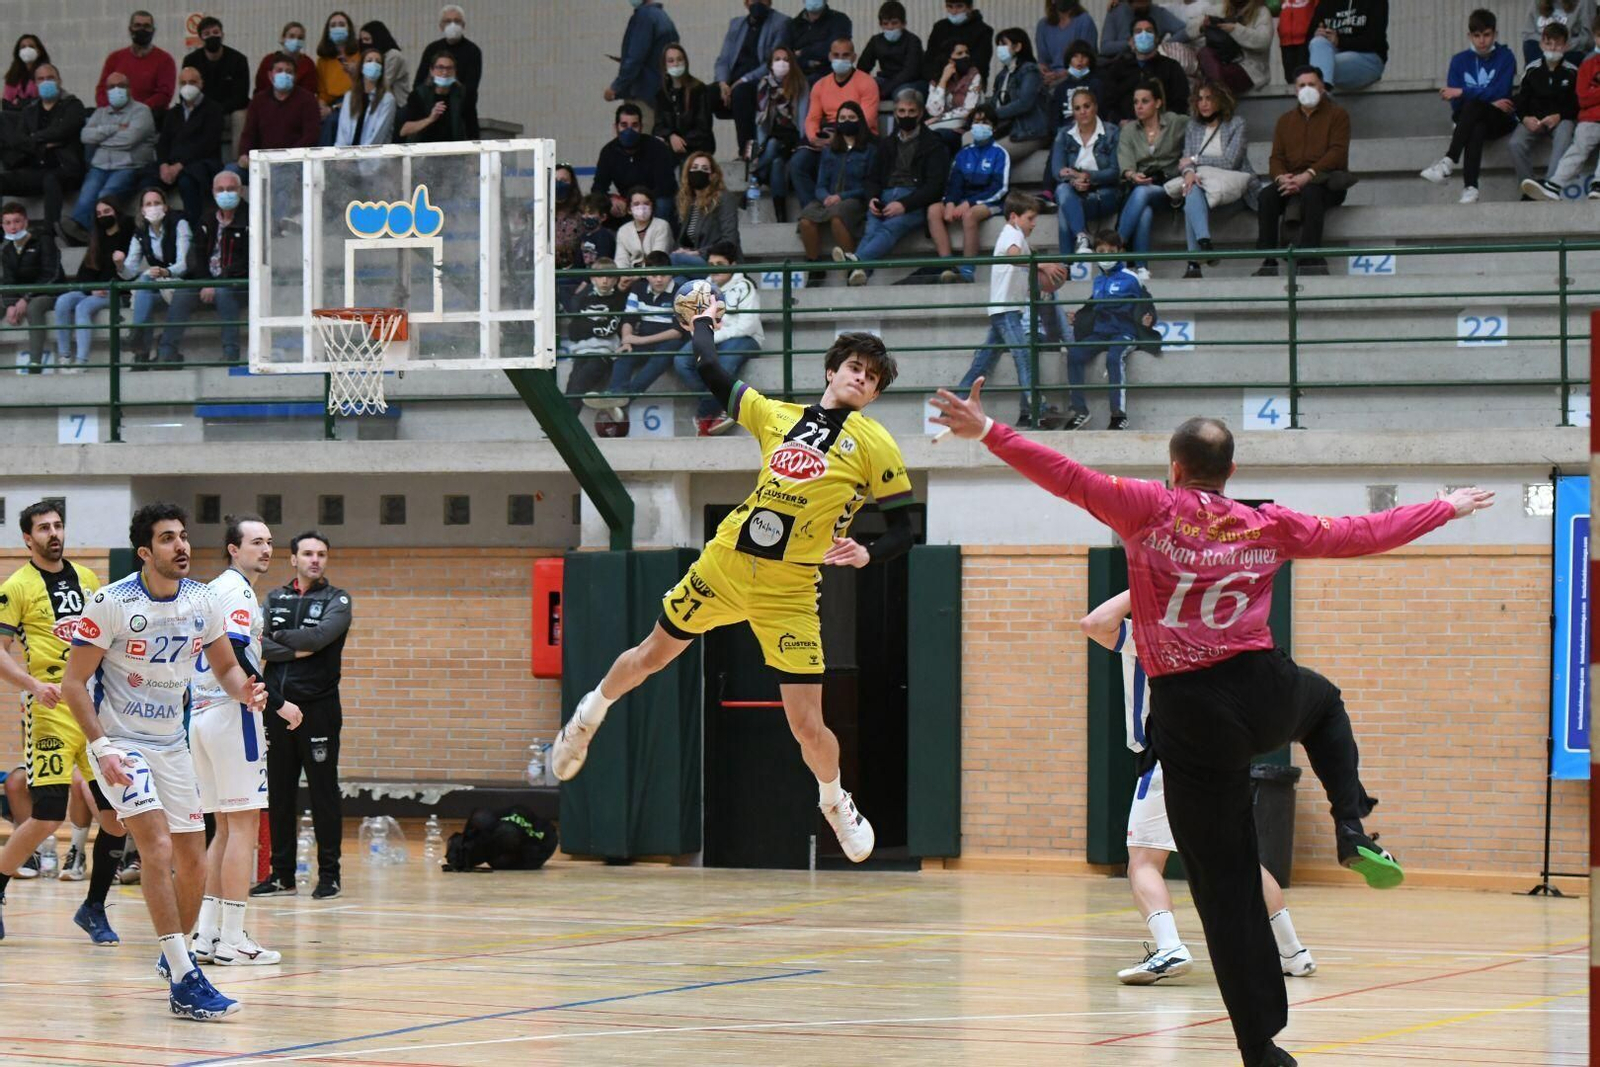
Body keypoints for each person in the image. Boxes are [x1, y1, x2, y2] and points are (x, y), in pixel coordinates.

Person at [925, 396, 1495, 1067]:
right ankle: (1350, 822)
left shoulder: (1147, 507)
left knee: (1224, 886)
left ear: (1175, 467)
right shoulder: (1268, 521)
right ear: (1229, 470)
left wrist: (989, 431)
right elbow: (1361, 532)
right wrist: (1446, 508)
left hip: (1192, 716)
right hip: (1261, 687)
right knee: (1324, 706)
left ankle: (1262, 1047)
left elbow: (1064, 474)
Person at [552, 319, 917, 869]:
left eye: (872, 378)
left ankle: (835, 801)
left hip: (790, 589)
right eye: (854, 369)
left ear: (876, 393)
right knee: (652, 654)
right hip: (726, 563)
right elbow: (709, 368)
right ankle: (587, 717)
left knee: (806, 724)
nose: (861, 379)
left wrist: (869, 552)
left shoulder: (874, 443)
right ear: (831, 371)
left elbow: (904, 527)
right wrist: (702, 322)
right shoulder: (779, 415)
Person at [63, 502, 266, 1019]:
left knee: (192, 858)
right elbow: (73, 684)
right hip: (120, 742)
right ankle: (184, 976)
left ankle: (173, 953)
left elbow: (225, 669)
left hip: (170, 743)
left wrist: (250, 693)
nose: (182, 546)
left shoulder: (203, 601)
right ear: (144, 551)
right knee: (154, 846)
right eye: (168, 538)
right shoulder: (110, 602)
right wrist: (102, 747)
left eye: (183, 537)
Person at [1081, 590, 1317, 986]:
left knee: (1143, 861)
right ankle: (1293, 952)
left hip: (1170, 759)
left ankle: (1170, 947)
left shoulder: (1153, 640)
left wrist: (1143, 579)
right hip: (1222, 759)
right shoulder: (1218, 644)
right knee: (1239, 860)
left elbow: (1094, 623)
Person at [0, 501, 127, 946]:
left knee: (115, 816)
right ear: (27, 538)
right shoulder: (17, 587)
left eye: (57, 525)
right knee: (47, 815)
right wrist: (33, 684)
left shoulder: (88, 580)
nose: (53, 533)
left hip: (91, 708)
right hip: (50, 710)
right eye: (43, 528)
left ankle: (93, 908)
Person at [188, 515, 302, 967]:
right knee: (245, 828)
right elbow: (234, 652)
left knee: (224, 828)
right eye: (256, 542)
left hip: (201, 716)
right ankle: (234, 938)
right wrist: (278, 703)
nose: (266, 548)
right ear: (233, 549)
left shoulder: (212, 590)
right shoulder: (236, 591)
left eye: (270, 542)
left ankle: (209, 934)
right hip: (232, 712)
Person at [256, 531, 352, 902]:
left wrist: (282, 638)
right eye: (308, 553)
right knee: (279, 794)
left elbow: (319, 639)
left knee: (323, 793)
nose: (316, 560)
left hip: (319, 710)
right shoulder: (274, 597)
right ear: (293, 558)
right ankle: (282, 876)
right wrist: (292, 645)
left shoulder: (337, 599)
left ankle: (329, 876)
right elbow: (258, 642)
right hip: (277, 707)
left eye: (322, 554)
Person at [954, 191, 1067, 426]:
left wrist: (1039, 273)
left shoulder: (1017, 236)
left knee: (983, 362)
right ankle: (1039, 410)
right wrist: (1042, 264)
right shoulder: (1011, 234)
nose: (1034, 224)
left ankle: (954, 405)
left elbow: (1019, 265)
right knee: (1023, 357)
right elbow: (1014, 256)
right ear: (1014, 216)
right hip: (1005, 310)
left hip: (1005, 309)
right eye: (1030, 218)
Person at [849, 88, 950, 285]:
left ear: (920, 113)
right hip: (884, 197)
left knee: (890, 228)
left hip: (914, 201)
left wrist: (904, 205)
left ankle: (856, 262)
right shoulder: (886, 144)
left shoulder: (934, 145)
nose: (906, 116)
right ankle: (859, 274)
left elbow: (935, 187)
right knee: (871, 230)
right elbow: (872, 178)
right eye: (901, 112)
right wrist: (872, 198)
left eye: (911, 112)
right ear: (895, 113)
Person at [1255, 66, 1349, 276]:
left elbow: (1337, 153)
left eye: (1312, 84)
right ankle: (1268, 260)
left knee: (1311, 193)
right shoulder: (1285, 121)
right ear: (1295, 90)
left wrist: (1308, 176)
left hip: (1326, 181)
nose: (1307, 89)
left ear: (1322, 87)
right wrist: (1281, 178)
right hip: (1291, 181)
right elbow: (1276, 157)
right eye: (1302, 85)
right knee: (1266, 197)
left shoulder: (1338, 115)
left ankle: (1309, 257)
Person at [1420, 10, 1518, 204]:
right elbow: (1455, 103)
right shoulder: (1459, 60)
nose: (1482, 41)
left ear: (1495, 35)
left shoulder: (1506, 57)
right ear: (1470, 36)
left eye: (1487, 35)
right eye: (1477, 35)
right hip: (1472, 119)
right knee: (1476, 124)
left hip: (1500, 119)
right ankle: (1470, 188)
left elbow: (1503, 94)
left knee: (1472, 106)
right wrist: (1483, 98)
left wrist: (1463, 92)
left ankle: (1448, 162)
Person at [1061, 229, 1153, 429]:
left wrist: (1148, 319)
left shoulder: (1132, 277)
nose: (1106, 256)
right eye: (1101, 251)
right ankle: (1080, 411)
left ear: (1120, 251)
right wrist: (1078, 317)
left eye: (1111, 251)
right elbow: (1092, 306)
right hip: (1100, 333)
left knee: (1114, 356)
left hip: (1126, 333)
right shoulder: (1098, 280)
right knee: (1074, 354)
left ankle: (1118, 415)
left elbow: (1147, 304)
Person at [156, 170, 247, 366]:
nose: (226, 193)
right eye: (220, 189)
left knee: (223, 292)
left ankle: (231, 353)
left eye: (231, 189)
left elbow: (249, 260)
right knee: (182, 293)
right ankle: (166, 352)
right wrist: (206, 282)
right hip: (208, 281)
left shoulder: (251, 219)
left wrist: (218, 282)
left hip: (239, 284)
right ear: (213, 192)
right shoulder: (207, 219)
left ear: (240, 191)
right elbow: (197, 256)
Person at [676, 241, 763, 435]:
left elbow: (747, 325)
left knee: (721, 364)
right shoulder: (703, 288)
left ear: (732, 265)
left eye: (720, 264)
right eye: (711, 264)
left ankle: (705, 413)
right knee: (681, 361)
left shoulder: (746, 286)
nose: (715, 269)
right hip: (713, 337)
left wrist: (715, 336)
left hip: (745, 338)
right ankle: (723, 402)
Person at [592, 250, 687, 425]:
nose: (658, 279)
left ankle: (620, 399)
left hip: (669, 340)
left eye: (663, 275)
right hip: (642, 337)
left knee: (658, 360)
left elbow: (677, 331)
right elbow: (629, 318)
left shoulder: (681, 292)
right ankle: (616, 397)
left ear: (671, 273)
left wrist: (639, 340)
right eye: (654, 275)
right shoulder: (638, 288)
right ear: (646, 274)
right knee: (623, 356)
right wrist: (627, 339)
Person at [788, 38, 881, 210]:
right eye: (836, 55)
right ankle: (812, 210)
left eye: (845, 55)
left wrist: (839, 136)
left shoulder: (867, 82)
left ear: (854, 57)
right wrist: (814, 137)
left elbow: (866, 119)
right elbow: (812, 118)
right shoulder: (820, 85)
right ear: (830, 56)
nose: (840, 59)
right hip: (826, 136)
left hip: (857, 136)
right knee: (797, 163)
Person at [921, 103, 1009, 284]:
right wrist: (950, 202)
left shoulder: (1000, 153)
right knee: (933, 210)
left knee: (969, 216)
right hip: (962, 200)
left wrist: (969, 203)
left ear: (994, 126)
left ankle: (968, 269)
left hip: (990, 203)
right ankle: (948, 264)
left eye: (985, 122)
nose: (980, 125)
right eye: (976, 121)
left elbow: (1000, 188)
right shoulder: (964, 153)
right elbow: (954, 183)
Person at [64, 72, 156, 242]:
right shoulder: (100, 113)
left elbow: (129, 139)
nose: (116, 90)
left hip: (129, 166)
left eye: (121, 86)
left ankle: (92, 234)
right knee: (86, 197)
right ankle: (83, 231)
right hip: (100, 166)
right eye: (111, 87)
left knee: (105, 196)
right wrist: (114, 129)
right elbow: (85, 136)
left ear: (129, 89)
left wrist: (102, 139)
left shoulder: (142, 111)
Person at [0, 63, 86, 236]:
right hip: (35, 168)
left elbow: (64, 130)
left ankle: (49, 234)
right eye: (41, 79)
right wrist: (46, 143)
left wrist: (34, 138)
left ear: (59, 80)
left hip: (65, 169)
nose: (46, 82)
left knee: (51, 179)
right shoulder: (30, 110)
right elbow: (19, 140)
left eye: (50, 78)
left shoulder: (73, 105)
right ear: (35, 84)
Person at [1176, 81, 1251, 278]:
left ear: (1220, 100)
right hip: (1201, 186)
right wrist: (1189, 172)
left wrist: (1195, 161)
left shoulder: (1237, 124)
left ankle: (1194, 262)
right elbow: (1185, 160)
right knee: (1190, 188)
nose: (1204, 103)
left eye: (1209, 98)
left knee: (1190, 197)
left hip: (1231, 188)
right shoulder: (1193, 126)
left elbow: (1230, 161)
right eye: (1199, 99)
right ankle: (1204, 244)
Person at [1117, 81, 1188, 276]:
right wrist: (1133, 175)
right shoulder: (1129, 130)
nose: (1138, 106)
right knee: (1144, 211)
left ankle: (1116, 247)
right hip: (1142, 184)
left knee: (1142, 192)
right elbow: (1125, 165)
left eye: (1145, 101)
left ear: (1157, 103)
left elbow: (1200, 124)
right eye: (1136, 102)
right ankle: (1142, 269)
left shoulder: (1175, 122)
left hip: (1170, 187)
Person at [798, 98, 876, 273]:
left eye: (851, 117)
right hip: (828, 198)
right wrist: (825, 197)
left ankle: (852, 266)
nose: (846, 121)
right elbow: (820, 184)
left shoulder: (870, 150)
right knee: (805, 219)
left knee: (837, 217)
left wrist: (841, 197)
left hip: (854, 199)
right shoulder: (829, 150)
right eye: (842, 118)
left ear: (860, 120)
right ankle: (814, 266)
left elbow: (869, 185)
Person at [53, 197, 129, 371]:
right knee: (63, 300)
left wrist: (100, 289)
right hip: (93, 291)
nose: (103, 216)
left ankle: (82, 361)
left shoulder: (127, 235)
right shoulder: (97, 238)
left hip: (116, 292)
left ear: (116, 212)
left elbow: (126, 273)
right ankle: (64, 356)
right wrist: (91, 289)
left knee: (83, 307)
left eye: (107, 212)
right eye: (99, 213)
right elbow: (84, 273)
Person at [121, 186, 191, 367]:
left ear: (165, 207)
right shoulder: (140, 232)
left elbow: (184, 264)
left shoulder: (179, 223)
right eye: (148, 204)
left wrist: (165, 272)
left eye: (157, 203)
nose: (153, 207)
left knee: (145, 281)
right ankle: (144, 350)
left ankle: (138, 341)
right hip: (158, 285)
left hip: (182, 282)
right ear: (142, 210)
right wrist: (119, 265)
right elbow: (129, 271)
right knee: (143, 286)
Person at [1527, 34, 1600, 200]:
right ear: (1595, 38)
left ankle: (1598, 184)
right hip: (1589, 119)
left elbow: (1590, 95)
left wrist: (1594, 93)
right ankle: (1554, 185)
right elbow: (1582, 97)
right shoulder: (1588, 65)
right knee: (1577, 150)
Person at [715, 0, 790, 161]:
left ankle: (747, 152)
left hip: (760, 80)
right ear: (746, 2)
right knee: (705, 94)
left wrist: (743, 80)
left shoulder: (781, 23)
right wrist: (722, 83)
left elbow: (772, 61)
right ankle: (700, 152)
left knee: (741, 93)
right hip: (732, 82)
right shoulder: (736, 24)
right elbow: (723, 60)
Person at [1510, 22, 1580, 192]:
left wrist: (1559, 116)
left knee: (1565, 132)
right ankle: (1529, 189)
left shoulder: (1572, 72)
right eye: (1549, 43)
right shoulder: (1532, 69)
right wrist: (1525, 118)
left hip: (1560, 120)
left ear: (1566, 46)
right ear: (1541, 44)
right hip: (1534, 121)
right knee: (1515, 143)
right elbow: (1521, 100)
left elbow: (1577, 104)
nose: (1553, 48)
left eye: (1558, 44)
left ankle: (1550, 186)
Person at [1052, 86, 1121, 255]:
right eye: (1077, 108)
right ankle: (1082, 236)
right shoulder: (1064, 134)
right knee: (1062, 191)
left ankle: (1066, 266)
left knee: (1064, 208)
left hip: (1105, 194)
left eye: (1086, 106)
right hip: (1075, 193)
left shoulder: (1112, 132)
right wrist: (1073, 181)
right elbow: (1057, 171)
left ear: (1095, 107)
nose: (1082, 111)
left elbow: (1115, 171)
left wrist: (1087, 177)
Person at [154, 66, 224, 225]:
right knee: (148, 182)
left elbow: (207, 144)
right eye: (183, 82)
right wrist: (164, 165)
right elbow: (163, 142)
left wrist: (179, 165)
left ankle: (195, 229)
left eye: (192, 82)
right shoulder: (173, 113)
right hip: (172, 165)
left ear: (201, 84)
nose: (188, 86)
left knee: (188, 181)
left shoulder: (213, 110)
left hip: (202, 163)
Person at [560, 258, 629, 415]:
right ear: (592, 278)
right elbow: (573, 331)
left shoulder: (619, 299)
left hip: (604, 353)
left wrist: (586, 324)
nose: (604, 281)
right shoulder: (582, 297)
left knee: (578, 384)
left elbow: (608, 330)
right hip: (582, 350)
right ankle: (565, 423)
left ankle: (562, 422)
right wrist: (595, 325)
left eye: (609, 277)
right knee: (573, 384)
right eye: (600, 276)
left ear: (616, 279)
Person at [0, 201, 61, 372]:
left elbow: (51, 275)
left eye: (17, 221)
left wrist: (26, 298)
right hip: (21, 296)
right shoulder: (7, 250)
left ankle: (35, 364)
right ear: (3, 226)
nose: (13, 227)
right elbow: (8, 280)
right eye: (8, 223)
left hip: (51, 292)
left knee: (34, 308)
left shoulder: (43, 240)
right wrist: (10, 304)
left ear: (26, 222)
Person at [593, 104, 679, 223]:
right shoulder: (608, 152)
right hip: (626, 203)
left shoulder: (657, 148)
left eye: (634, 125)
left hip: (654, 201)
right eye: (624, 125)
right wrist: (611, 200)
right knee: (599, 207)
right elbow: (598, 188)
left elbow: (666, 187)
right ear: (616, 127)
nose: (629, 130)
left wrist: (638, 203)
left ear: (641, 127)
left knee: (663, 204)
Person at [750, 45, 809, 217]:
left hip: (793, 136)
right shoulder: (764, 85)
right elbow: (760, 121)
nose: (781, 63)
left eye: (786, 59)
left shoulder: (801, 84)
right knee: (776, 163)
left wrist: (802, 144)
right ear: (770, 64)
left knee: (774, 145)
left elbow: (803, 117)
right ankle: (781, 217)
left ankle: (755, 174)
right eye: (777, 59)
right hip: (772, 137)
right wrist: (760, 146)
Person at [237, 56, 321, 171]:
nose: (284, 74)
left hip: (295, 163)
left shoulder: (307, 100)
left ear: (295, 77)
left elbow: (311, 136)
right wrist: (244, 154)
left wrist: (286, 158)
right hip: (262, 162)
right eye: (279, 70)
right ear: (270, 75)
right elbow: (249, 133)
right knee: (230, 172)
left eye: (289, 72)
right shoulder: (258, 100)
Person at [1102, 17, 1190, 122]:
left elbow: (1181, 103)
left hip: (1163, 131)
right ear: (1131, 41)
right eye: (1138, 32)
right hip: (1126, 131)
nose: (1144, 35)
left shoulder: (1171, 67)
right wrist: (1119, 121)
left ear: (1157, 38)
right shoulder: (1118, 69)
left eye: (1149, 31)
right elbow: (1107, 104)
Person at [95, 11, 176, 125]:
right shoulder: (114, 58)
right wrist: (111, 111)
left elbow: (164, 95)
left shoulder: (165, 60)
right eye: (137, 25)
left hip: (149, 120)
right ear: (130, 29)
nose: (142, 29)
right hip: (113, 119)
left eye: (147, 26)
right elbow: (102, 90)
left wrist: (136, 111)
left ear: (153, 30)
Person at [608, 0, 679, 126]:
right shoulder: (663, 17)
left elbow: (635, 59)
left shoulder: (644, 17)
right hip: (660, 94)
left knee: (640, 141)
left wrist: (615, 87)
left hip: (643, 94)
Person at [989, 27, 1051, 168]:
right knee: (967, 141)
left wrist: (994, 114)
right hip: (1006, 128)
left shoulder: (1030, 71)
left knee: (992, 153)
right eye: (998, 45)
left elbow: (1024, 103)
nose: (1000, 49)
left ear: (1018, 46)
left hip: (1029, 132)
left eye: (1004, 44)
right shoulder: (1003, 75)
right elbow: (994, 102)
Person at [416, 6, 483, 124]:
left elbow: (471, 88)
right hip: (430, 112)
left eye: (457, 21)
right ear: (441, 26)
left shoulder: (472, 51)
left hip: (462, 115)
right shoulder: (432, 49)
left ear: (463, 25)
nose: (453, 25)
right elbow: (419, 81)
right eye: (448, 21)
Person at [654, 43, 716, 163]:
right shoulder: (661, 94)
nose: (676, 64)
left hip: (697, 146)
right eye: (671, 61)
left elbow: (703, 127)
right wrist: (671, 136)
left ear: (685, 62)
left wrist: (682, 141)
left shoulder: (698, 89)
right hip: (672, 147)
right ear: (665, 66)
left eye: (679, 59)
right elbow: (658, 126)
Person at [399, 50, 478, 143]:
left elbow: (472, 128)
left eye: (449, 68)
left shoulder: (463, 94)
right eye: (440, 68)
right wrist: (430, 119)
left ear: (455, 71)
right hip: (424, 150)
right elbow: (404, 131)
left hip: (455, 150)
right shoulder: (419, 94)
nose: (445, 72)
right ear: (432, 71)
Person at [1308, 0, 1388, 92]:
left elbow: (1375, 40)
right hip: (1334, 57)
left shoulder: (1375, 2)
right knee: (1318, 42)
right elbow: (1309, 41)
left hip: (1368, 59)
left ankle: (1316, 98)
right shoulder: (1325, 3)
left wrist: (1340, 42)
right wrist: (1317, 34)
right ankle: (1320, 95)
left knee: (1321, 68)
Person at [1198, 0, 1274, 96]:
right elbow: (1190, 28)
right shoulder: (1219, 9)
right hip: (1222, 63)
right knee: (1205, 53)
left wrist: (1235, 29)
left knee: (1214, 80)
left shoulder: (1261, 12)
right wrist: (1202, 27)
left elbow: (1264, 41)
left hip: (1249, 69)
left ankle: (1217, 94)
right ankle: (1217, 92)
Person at [674, 152, 740, 261]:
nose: (699, 172)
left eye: (705, 169)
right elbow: (684, 242)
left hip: (716, 260)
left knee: (673, 260)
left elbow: (730, 239)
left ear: (712, 175)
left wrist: (698, 253)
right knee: (677, 274)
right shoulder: (688, 202)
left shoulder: (723, 198)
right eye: (694, 168)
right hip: (693, 262)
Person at [182, 17, 251, 118]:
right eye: (207, 34)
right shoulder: (190, 61)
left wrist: (217, 110)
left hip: (230, 109)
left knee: (240, 116)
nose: (212, 36)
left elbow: (241, 96)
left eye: (215, 32)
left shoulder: (238, 60)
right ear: (201, 38)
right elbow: (186, 90)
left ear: (222, 35)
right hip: (201, 107)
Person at [926, 40, 985, 150]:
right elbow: (933, 110)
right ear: (949, 60)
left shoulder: (974, 75)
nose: (965, 56)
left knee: (937, 137)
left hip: (963, 127)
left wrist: (937, 119)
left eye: (966, 52)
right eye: (959, 54)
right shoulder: (937, 79)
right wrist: (943, 80)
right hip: (939, 128)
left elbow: (967, 110)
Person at [859, 2, 926, 97]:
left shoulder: (913, 41)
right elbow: (862, 68)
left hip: (911, 82)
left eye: (894, 23)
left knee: (903, 94)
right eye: (885, 24)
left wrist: (884, 91)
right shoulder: (876, 41)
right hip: (885, 80)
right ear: (880, 25)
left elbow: (910, 72)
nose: (890, 27)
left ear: (904, 24)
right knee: (864, 89)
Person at [335, 49, 398, 147]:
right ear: (361, 67)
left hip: (373, 157)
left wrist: (361, 157)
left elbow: (378, 136)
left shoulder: (387, 99)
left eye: (378, 62)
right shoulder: (349, 96)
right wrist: (342, 157)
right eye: (369, 61)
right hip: (347, 157)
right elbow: (342, 132)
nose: (373, 64)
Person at [924, 1, 995, 84]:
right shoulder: (939, 27)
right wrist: (934, 79)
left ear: (970, 8)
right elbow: (929, 58)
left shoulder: (983, 31)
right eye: (950, 7)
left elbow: (980, 64)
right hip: (937, 80)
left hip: (969, 83)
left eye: (959, 7)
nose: (954, 11)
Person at [786, 0, 854, 84]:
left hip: (831, 77)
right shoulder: (794, 24)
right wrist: (808, 63)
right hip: (799, 79)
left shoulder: (839, 20)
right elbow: (788, 54)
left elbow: (837, 48)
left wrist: (803, 52)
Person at [1038, 1, 1099, 93]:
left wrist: (1060, 75)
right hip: (1049, 80)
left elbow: (1087, 60)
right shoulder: (1043, 25)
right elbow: (1043, 60)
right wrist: (1043, 71)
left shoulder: (1085, 21)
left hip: (1076, 78)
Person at [1101, 0, 1189, 58]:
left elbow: (1184, 31)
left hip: (1154, 62)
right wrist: (1130, 44)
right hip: (1124, 63)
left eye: (1145, 4)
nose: (1142, 8)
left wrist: (1161, 46)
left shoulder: (1158, 12)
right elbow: (1105, 48)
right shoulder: (1116, 12)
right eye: (1138, 6)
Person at [1048, 40, 1103, 133]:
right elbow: (1055, 119)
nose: (1080, 60)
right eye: (1075, 56)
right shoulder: (1060, 88)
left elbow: (1102, 113)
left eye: (1084, 56)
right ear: (1069, 60)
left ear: (1090, 61)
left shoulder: (1097, 85)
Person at [253, 23, 317, 100]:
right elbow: (260, 88)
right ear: (283, 38)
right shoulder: (268, 61)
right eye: (291, 36)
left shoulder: (308, 64)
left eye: (300, 38)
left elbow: (309, 92)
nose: (296, 40)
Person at [1522, 0, 1595, 65]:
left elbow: (1589, 38)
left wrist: (1563, 45)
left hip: (1569, 49)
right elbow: (1528, 33)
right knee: (1530, 46)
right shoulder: (1537, 2)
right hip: (1542, 47)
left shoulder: (1585, 2)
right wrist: (1547, 44)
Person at [616, 187, 674, 269]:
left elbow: (658, 259)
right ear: (629, 209)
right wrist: (624, 275)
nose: (642, 208)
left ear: (652, 206)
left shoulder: (662, 225)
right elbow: (621, 259)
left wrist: (637, 276)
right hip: (631, 276)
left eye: (646, 204)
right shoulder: (623, 230)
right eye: (636, 204)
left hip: (657, 274)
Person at [358, 22, 410, 105]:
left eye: (367, 39)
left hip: (397, 104)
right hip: (374, 102)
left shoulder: (393, 56)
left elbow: (385, 83)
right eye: (362, 40)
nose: (364, 44)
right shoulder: (367, 56)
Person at [314, 12, 357, 111]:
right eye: (333, 26)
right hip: (331, 105)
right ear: (328, 32)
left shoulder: (360, 54)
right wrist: (323, 107)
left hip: (354, 103)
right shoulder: (322, 61)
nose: (338, 28)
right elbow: (322, 93)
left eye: (342, 25)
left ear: (349, 29)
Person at [3, 35, 48, 111]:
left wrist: (19, 102)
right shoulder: (12, 75)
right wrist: (28, 103)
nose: (27, 50)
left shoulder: (46, 72)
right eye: (23, 47)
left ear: (39, 51)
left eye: (31, 46)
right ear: (18, 52)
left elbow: (45, 101)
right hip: (15, 120)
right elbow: (5, 104)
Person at [1277, 0, 1317, 81]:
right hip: (1286, 41)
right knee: (1289, 77)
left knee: (1304, 76)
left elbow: (1320, 8)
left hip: (1305, 40)